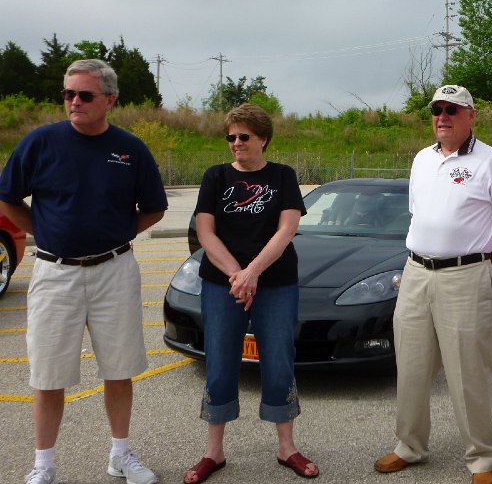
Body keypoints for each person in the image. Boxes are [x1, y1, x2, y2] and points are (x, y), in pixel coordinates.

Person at [0, 59, 168, 484]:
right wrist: (45, 231)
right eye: (68, 94)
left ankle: (120, 455)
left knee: (119, 368)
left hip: (114, 270)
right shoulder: (39, 143)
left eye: (85, 95)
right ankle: (44, 464)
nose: (74, 101)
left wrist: (112, 234)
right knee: (47, 373)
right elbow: (7, 199)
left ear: (110, 100)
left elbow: (154, 209)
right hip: (55, 274)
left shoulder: (131, 149)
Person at [374, 85, 492, 484]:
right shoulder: (422, 159)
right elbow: (418, 216)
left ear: (471, 115)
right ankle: (410, 446)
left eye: (452, 110)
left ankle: (482, 459)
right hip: (416, 273)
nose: (442, 116)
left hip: (465, 276)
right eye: (437, 109)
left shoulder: (491, 162)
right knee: (411, 367)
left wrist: (480, 263)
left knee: (468, 372)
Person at [184, 103, 318, 483]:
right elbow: (205, 233)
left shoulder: (282, 176)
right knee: (221, 362)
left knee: (278, 360)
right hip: (221, 284)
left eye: (244, 136)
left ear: (263, 139)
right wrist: (237, 276)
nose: (236, 143)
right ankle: (214, 452)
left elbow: (286, 229)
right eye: (231, 137)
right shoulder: (215, 177)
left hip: (275, 284)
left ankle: (287, 447)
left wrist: (253, 272)